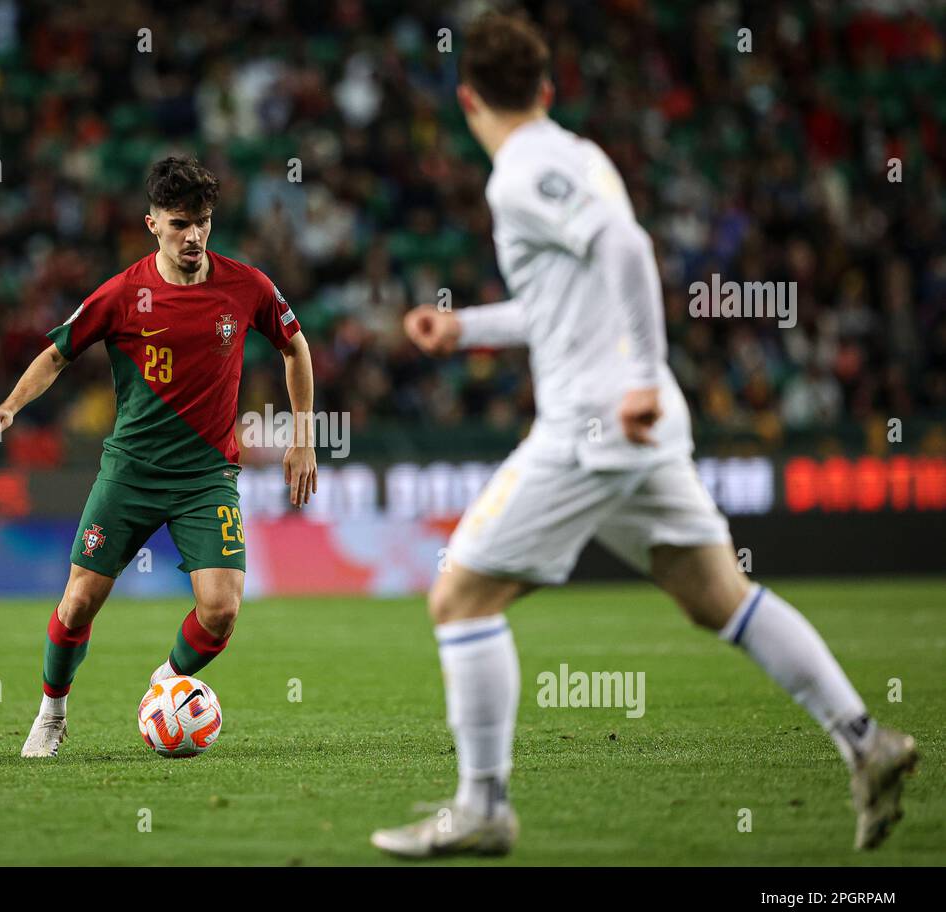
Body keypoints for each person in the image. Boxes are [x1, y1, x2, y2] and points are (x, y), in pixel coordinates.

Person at [370, 13, 916, 858]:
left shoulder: (521, 173)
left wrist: (636, 379)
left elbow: (628, 247)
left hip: (596, 424)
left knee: (460, 599)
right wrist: (466, 327)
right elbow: (566, 299)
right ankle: (865, 740)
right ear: (547, 89)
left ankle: (483, 808)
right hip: (632, 423)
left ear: (467, 97)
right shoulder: (583, 157)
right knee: (717, 598)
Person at [0, 156, 317, 758]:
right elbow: (57, 354)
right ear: (152, 223)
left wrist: (303, 437)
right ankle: (52, 711)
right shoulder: (121, 294)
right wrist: (9, 407)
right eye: (181, 223)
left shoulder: (247, 286)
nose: (194, 236)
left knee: (221, 609)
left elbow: (295, 347)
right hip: (131, 472)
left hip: (206, 476)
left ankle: (166, 682)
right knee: (79, 599)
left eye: (204, 223)